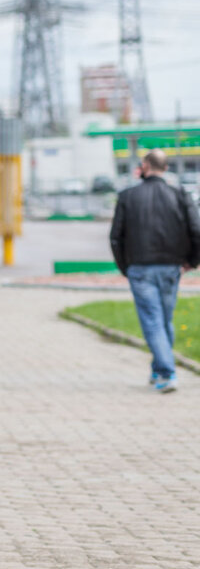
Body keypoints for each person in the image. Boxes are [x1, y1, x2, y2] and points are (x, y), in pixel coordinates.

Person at [109, 148, 200, 392]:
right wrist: (192, 261)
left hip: (140, 268)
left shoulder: (128, 196)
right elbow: (196, 230)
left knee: (153, 321)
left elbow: (115, 237)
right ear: (166, 168)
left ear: (145, 166)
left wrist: (125, 267)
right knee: (163, 320)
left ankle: (167, 373)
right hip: (171, 267)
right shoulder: (179, 194)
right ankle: (159, 369)